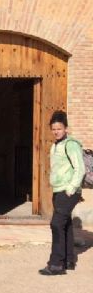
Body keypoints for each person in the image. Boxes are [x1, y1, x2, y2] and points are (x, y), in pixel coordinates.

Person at [39, 110, 86, 275]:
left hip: (67, 191)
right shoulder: (55, 145)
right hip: (58, 190)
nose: (56, 131)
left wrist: (71, 188)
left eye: (59, 128)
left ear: (66, 128)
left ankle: (56, 264)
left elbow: (80, 168)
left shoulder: (71, 144)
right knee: (65, 224)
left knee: (56, 224)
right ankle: (68, 261)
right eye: (53, 129)